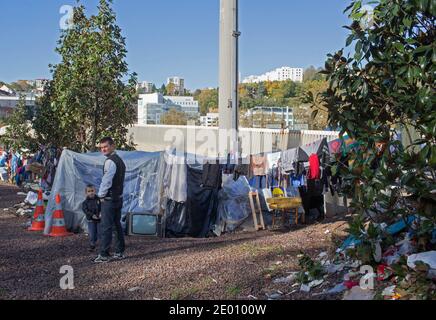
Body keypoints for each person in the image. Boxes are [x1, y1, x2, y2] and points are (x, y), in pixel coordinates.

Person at [94, 137, 127, 263]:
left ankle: (104, 254)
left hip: (109, 198)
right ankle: (119, 252)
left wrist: (100, 196)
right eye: (101, 147)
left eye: (105, 146)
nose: (103, 149)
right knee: (116, 225)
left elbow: (107, 180)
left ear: (113, 146)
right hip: (118, 198)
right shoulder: (120, 161)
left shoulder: (110, 162)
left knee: (106, 226)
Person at [82, 185, 101, 252]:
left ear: (95, 191)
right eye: (89, 191)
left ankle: (102, 245)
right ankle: (92, 244)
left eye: (92, 191)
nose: (91, 193)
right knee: (92, 233)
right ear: (86, 193)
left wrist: (100, 214)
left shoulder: (99, 199)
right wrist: (92, 215)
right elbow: (85, 210)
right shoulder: (85, 202)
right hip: (91, 220)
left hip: (99, 220)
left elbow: (102, 207)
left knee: (100, 232)